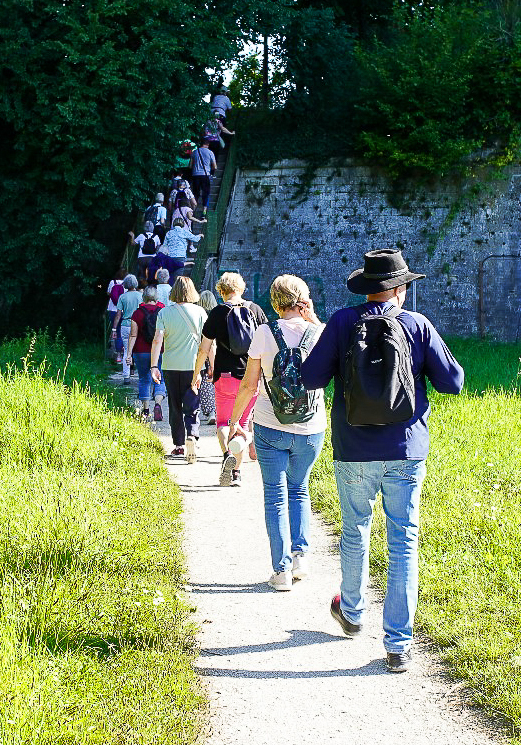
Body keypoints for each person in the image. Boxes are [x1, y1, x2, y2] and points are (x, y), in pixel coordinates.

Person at [299, 249, 465, 672]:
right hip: (405, 450)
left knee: (354, 531)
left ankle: (352, 613)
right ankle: (397, 645)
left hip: (353, 449)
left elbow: (311, 377)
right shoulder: (416, 325)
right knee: (403, 539)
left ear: (370, 289)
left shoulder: (341, 322)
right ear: (398, 290)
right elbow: (453, 381)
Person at [227, 275, 326, 590]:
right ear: (304, 300)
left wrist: (234, 420)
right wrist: (314, 319)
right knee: (300, 488)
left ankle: (280, 571)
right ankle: (301, 557)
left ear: (274, 302)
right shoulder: (320, 333)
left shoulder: (264, 333)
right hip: (312, 427)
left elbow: (249, 384)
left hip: (271, 424)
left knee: (275, 494)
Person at [193, 272, 268, 487]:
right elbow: (268, 344)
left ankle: (227, 454)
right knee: (243, 423)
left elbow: (203, 349)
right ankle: (236, 472)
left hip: (224, 377)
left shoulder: (217, 313)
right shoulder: (256, 311)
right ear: (242, 288)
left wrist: (195, 374)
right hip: (250, 377)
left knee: (224, 422)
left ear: (221, 290)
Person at [150, 277, 207, 463]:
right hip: (194, 367)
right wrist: (211, 365)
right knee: (192, 404)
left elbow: (158, 339)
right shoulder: (200, 313)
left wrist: (153, 366)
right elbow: (208, 344)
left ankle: (179, 446)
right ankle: (192, 434)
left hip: (170, 366)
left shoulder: (164, 313)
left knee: (174, 406)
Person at [128, 285, 167, 422]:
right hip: (160, 351)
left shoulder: (137, 313)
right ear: (156, 297)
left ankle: (145, 410)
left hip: (141, 351)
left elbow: (133, 335)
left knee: (144, 379)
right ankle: (158, 404)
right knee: (159, 379)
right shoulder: (162, 312)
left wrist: (128, 355)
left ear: (143, 297)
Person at [110, 274, 142, 383]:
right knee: (138, 351)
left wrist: (114, 329)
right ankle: (140, 375)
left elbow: (118, 315)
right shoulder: (141, 296)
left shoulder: (122, 297)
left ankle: (126, 376)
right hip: (138, 325)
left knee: (126, 351)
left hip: (125, 324)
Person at [195, 290, 220, 425]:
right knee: (213, 383)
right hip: (216, 352)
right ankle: (213, 411)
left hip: (201, 352)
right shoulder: (217, 315)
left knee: (204, 382)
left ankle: (206, 410)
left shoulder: (199, 315)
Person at [152, 217, 202, 284]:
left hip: (170, 257)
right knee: (178, 277)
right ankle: (176, 291)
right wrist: (200, 235)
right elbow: (195, 239)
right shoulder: (184, 232)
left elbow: (164, 245)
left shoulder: (169, 233)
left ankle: (170, 290)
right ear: (182, 224)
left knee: (170, 276)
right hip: (181, 256)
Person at [189, 139, 217, 215]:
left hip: (195, 175)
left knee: (196, 193)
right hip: (205, 175)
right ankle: (204, 211)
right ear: (208, 145)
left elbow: (190, 166)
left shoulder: (194, 152)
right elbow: (215, 167)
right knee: (206, 193)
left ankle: (193, 209)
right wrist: (211, 172)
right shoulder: (210, 152)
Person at [105, 267, 128, 361]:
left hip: (112, 310)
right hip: (123, 310)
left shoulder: (112, 282)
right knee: (124, 332)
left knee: (117, 332)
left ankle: (118, 356)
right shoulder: (126, 283)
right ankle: (124, 352)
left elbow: (108, 293)